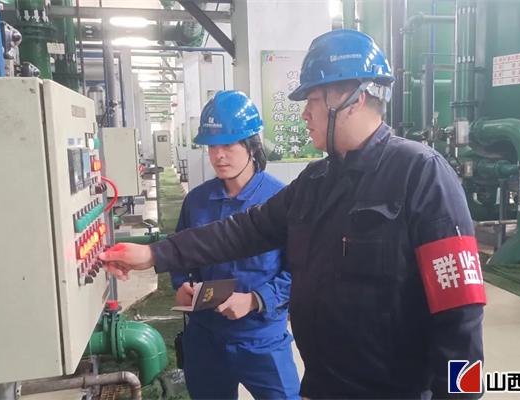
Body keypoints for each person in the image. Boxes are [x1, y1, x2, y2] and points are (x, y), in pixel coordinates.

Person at [101, 29, 486, 399]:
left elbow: (462, 313)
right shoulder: (317, 181)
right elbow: (243, 230)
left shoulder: (420, 174)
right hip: (324, 384)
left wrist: (458, 397)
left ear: (351, 99)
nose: (304, 114)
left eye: (312, 100)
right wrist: (154, 254)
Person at [170, 90, 300, 399]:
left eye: (228, 145)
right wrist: (181, 285)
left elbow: (300, 270)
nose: (218, 156)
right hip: (205, 336)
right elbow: (179, 254)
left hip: (261, 338)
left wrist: (255, 299)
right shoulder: (197, 202)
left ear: (252, 146)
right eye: (212, 147)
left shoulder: (280, 201)